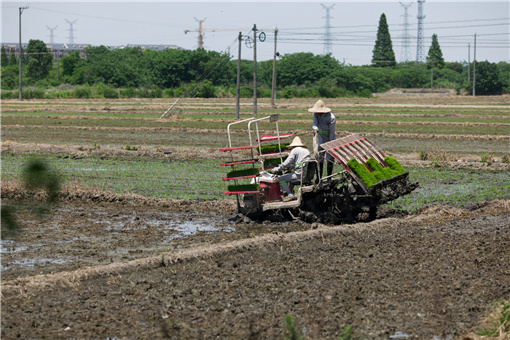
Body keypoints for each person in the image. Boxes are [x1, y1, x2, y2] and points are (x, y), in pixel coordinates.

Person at [310, 99, 336, 183]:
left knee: (329, 158)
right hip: (321, 137)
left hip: (329, 138)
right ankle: (319, 178)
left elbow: (332, 132)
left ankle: (329, 178)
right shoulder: (316, 115)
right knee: (319, 157)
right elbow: (314, 123)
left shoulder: (331, 117)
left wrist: (331, 144)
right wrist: (315, 128)